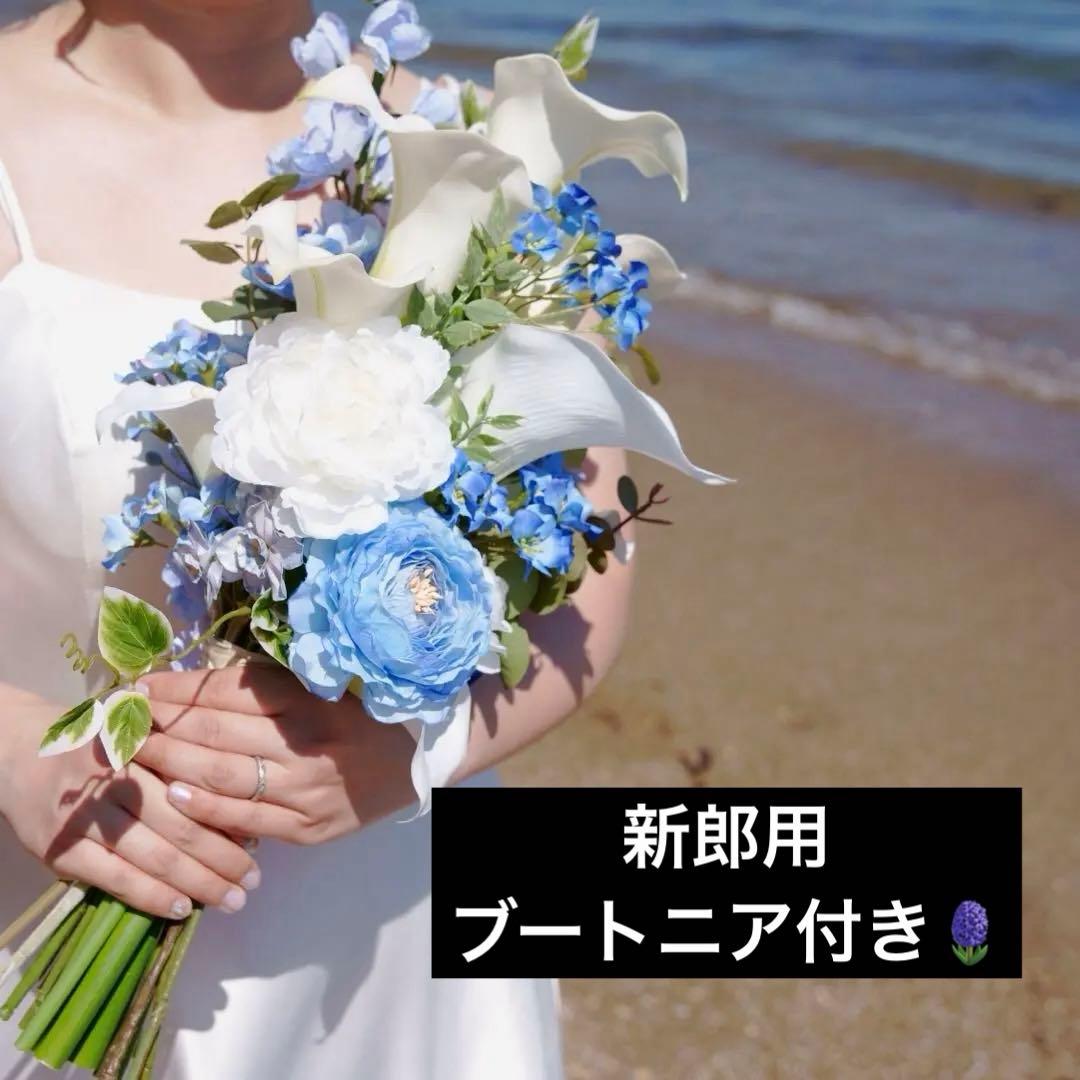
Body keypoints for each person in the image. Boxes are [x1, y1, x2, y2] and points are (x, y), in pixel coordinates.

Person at [0, 3, 634, 1076]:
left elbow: (589, 571)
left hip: (390, 914)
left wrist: (416, 751)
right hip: (64, 851)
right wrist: (19, 750)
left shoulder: (477, 146)